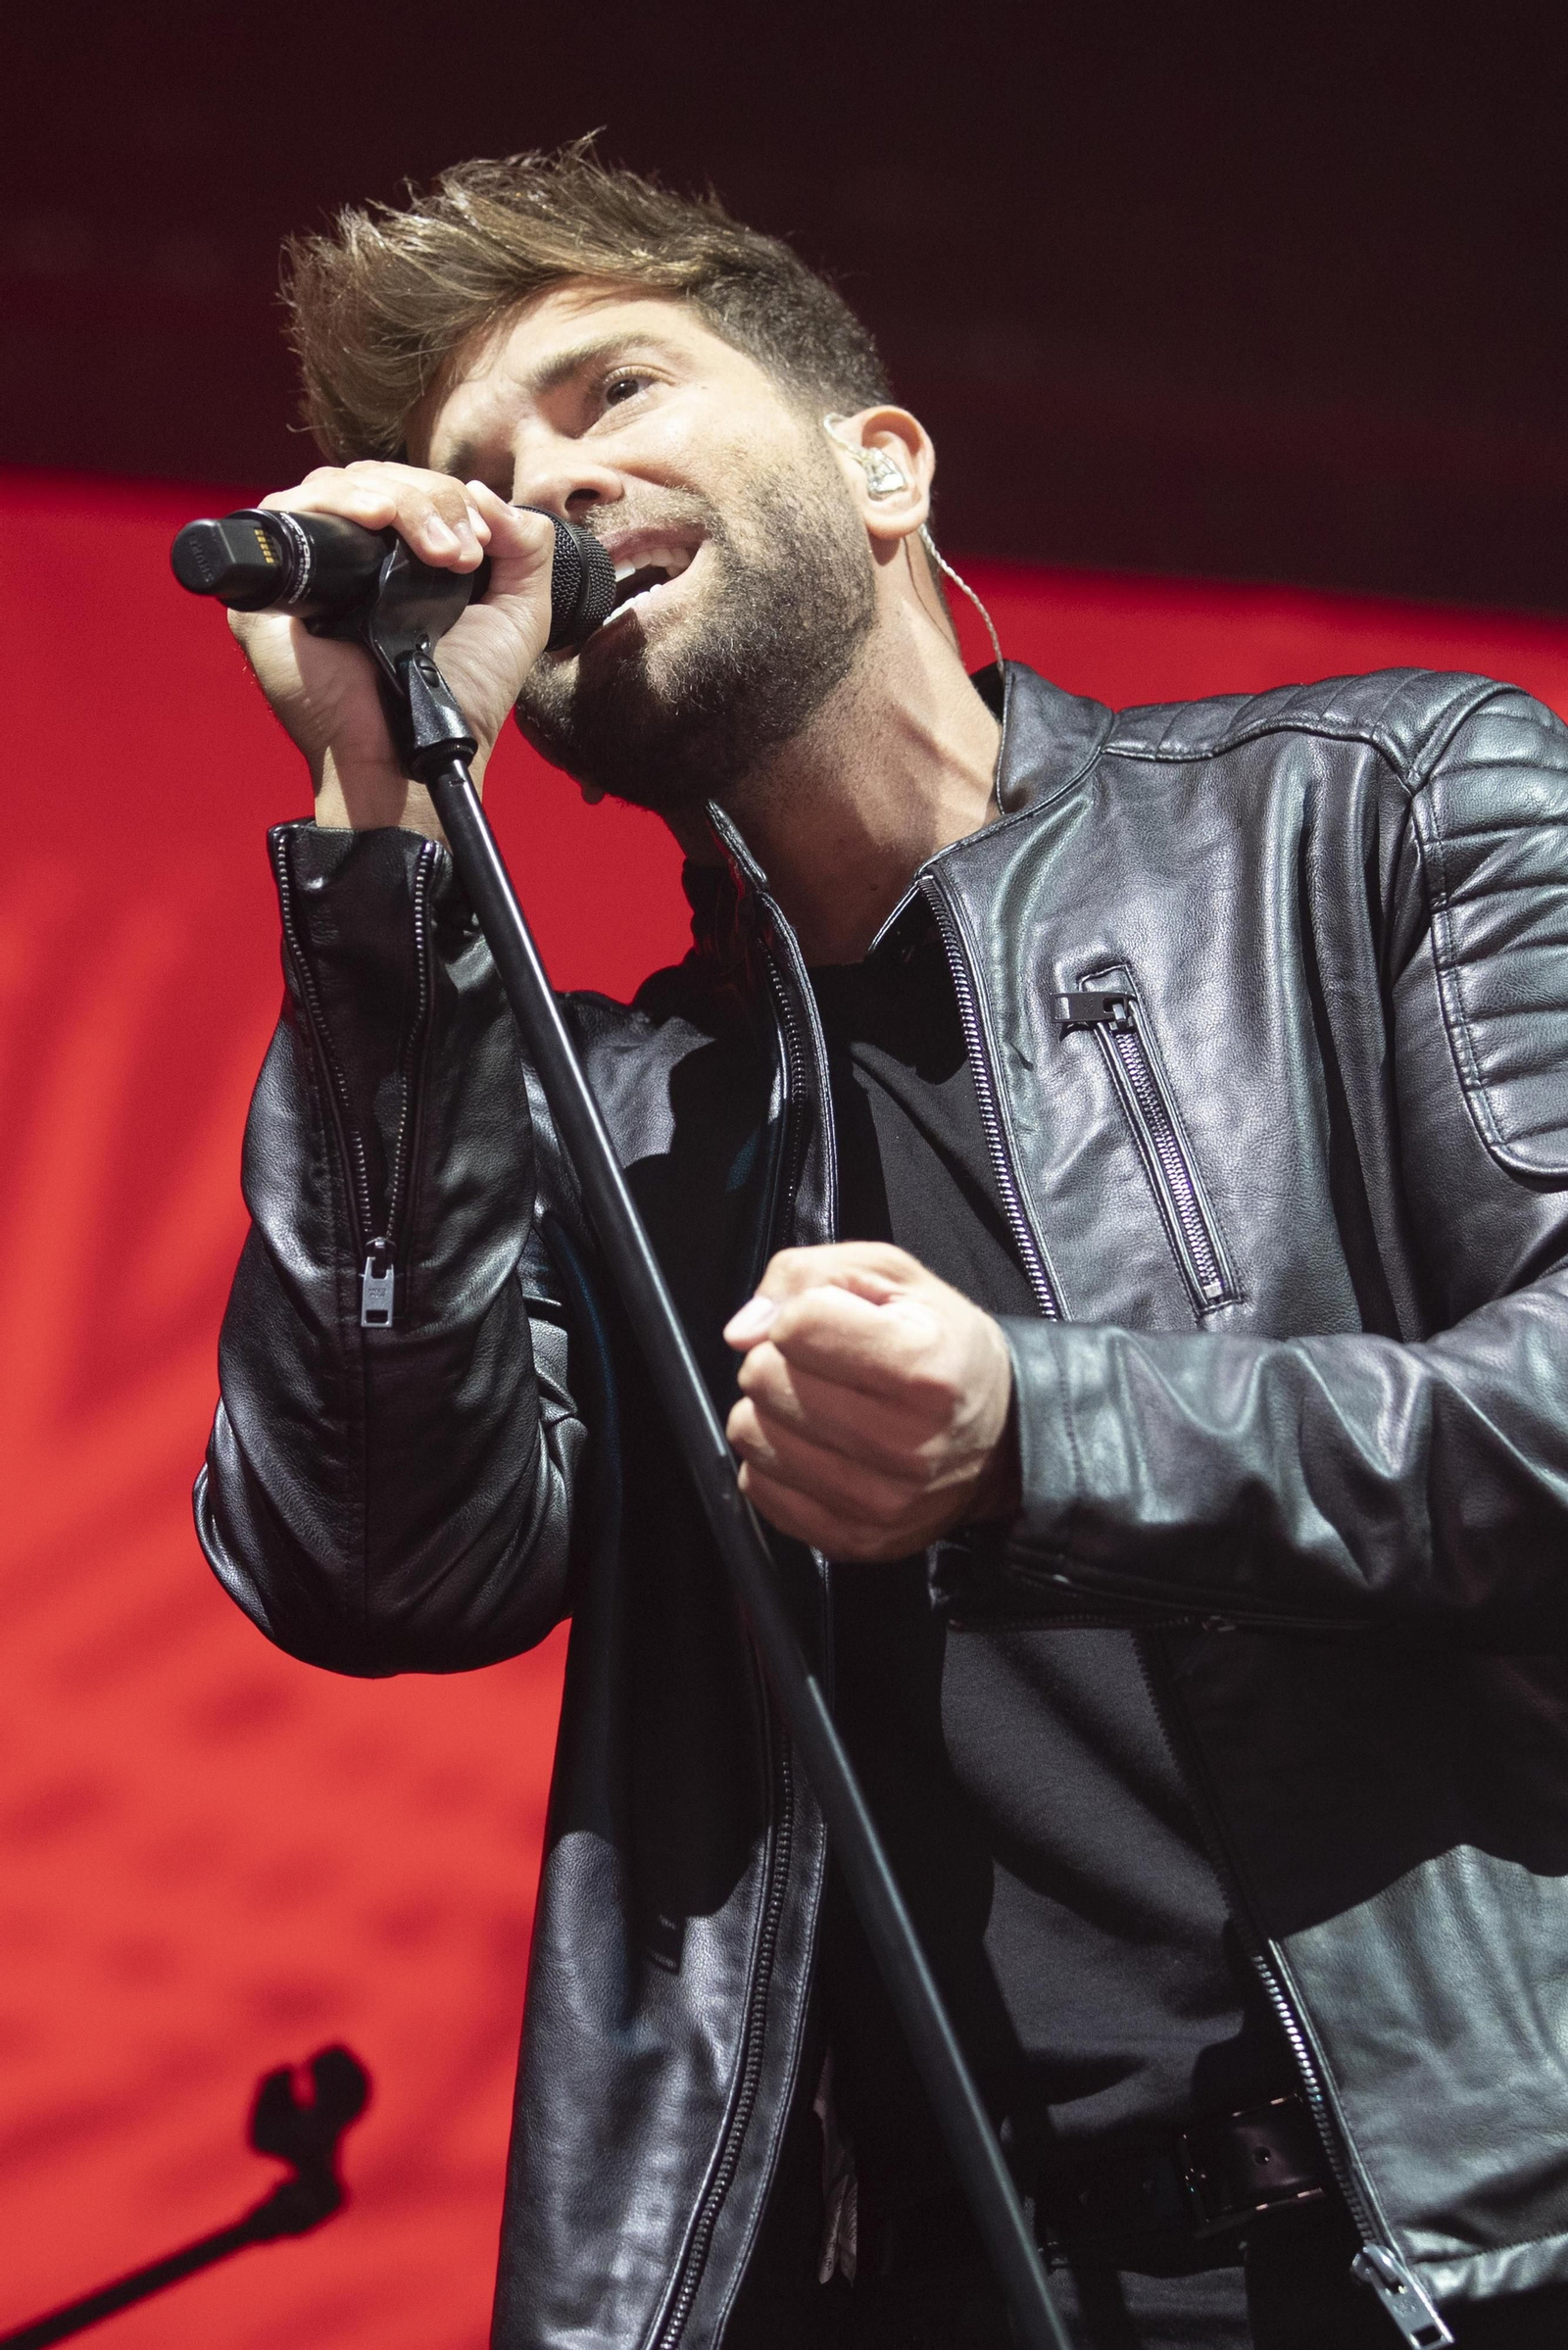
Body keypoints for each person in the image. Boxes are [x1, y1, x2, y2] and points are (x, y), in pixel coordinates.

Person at [195, 143, 1568, 2350]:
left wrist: (1049, 1422)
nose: (536, 490)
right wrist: (379, 818)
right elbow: (376, 1562)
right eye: (471, 471)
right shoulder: (607, 1111)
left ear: (881, 465)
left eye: (610, 390)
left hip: (1446, 2254)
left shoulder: (1374, 808)